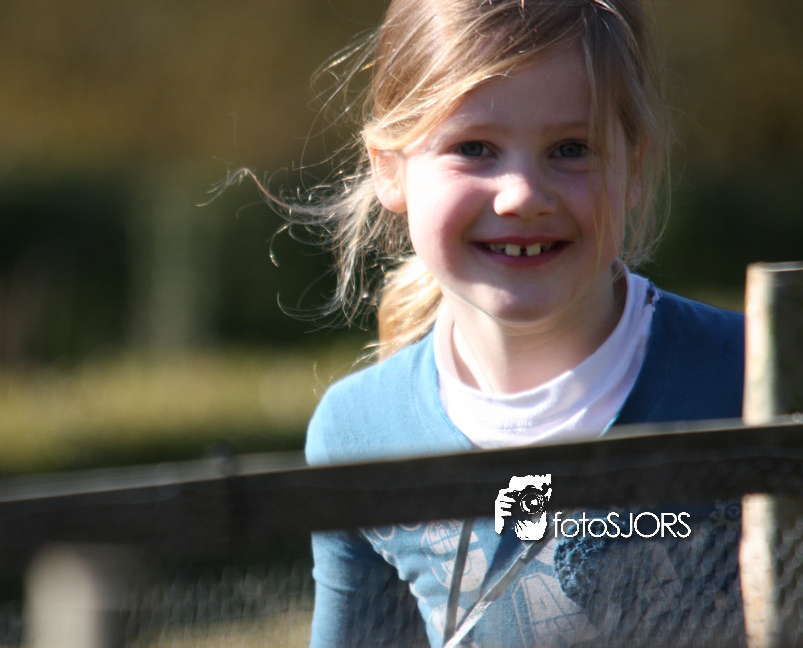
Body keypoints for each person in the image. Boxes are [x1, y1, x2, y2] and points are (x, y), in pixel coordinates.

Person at [251, 0, 745, 645]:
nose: (522, 196)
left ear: (635, 166)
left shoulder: (753, 383)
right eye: (474, 148)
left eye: (571, 149)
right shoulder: (356, 435)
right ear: (388, 168)